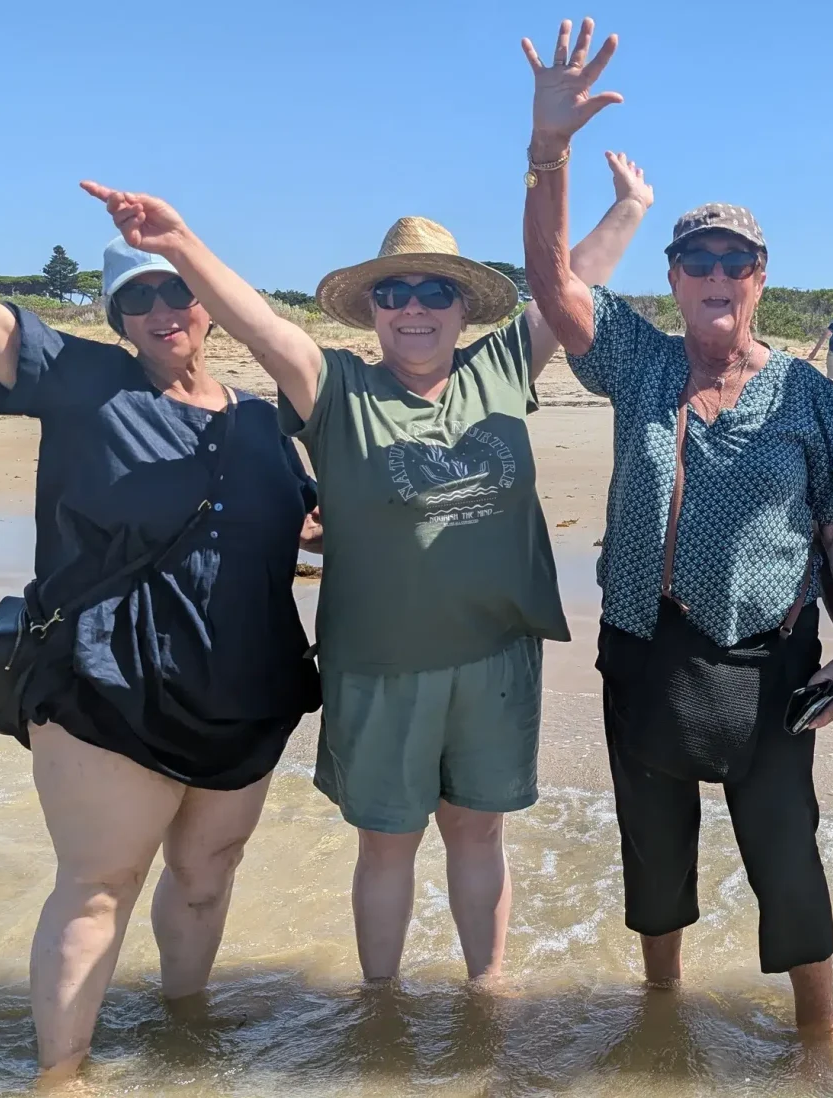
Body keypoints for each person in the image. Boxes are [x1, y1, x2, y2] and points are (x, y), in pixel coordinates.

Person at [79, 122, 649, 989]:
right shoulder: (335, 387)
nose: (414, 307)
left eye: (433, 291)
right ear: (372, 310)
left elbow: (571, 281)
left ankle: (485, 993)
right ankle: (379, 1010)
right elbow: (261, 326)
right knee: (388, 847)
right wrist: (178, 243)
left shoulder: (504, 366)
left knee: (478, 833)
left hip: (498, 659)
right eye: (395, 294)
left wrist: (630, 208)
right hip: (379, 667)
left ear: (463, 307)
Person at [521, 17, 833, 1036]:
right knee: (653, 848)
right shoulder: (638, 362)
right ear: (674, 277)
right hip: (643, 645)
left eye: (737, 259)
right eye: (697, 259)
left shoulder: (816, 401)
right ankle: (661, 1014)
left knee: (785, 854)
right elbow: (552, 279)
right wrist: (548, 152)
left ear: (761, 277)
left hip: (773, 664)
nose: (717, 273)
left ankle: (820, 1038)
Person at [0, 238, 321, 1076]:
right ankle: (60, 1077)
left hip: (245, 686)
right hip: (106, 683)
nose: (164, 310)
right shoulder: (88, 382)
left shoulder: (261, 422)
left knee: (207, 874)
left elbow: (314, 531)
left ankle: (184, 1032)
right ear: (117, 319)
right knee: (98, 886)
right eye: (138, 299)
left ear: (209, 299)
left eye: (179, 289)